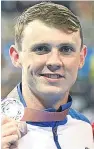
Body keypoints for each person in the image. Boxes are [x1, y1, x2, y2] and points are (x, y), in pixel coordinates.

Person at [1, 2, 94, 149]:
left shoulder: (85, 129)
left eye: (66, 49)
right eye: (41, 49)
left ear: (82, 58)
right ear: (16, 57)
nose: (54, 62)